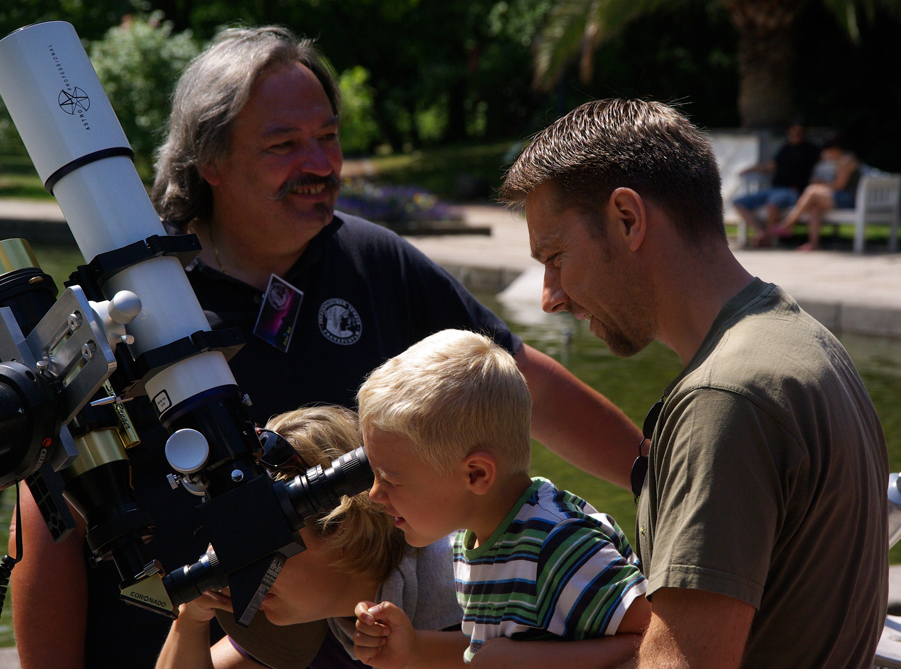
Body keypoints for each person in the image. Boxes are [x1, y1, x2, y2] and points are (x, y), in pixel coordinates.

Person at [10, 27, 643, 669]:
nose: (318, 164)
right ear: (212, 162)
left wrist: (669, 489)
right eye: (284, 145)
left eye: (328, 137)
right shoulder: (127, 303)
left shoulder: (377, 264)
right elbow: (52, 520)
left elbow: (527, 389)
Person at [498, 99, 889, 668]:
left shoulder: (723, 399)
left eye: (556, 257)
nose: (550, 296)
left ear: (628, 219)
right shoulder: (804, 342)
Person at [353, 329, 650, 669]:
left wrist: (525, 661)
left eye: (390, 479)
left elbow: (663, 634)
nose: (374, 494)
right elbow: (488, 652)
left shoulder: (559, 546)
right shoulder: (475, 541)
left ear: (476, 474)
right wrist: (414, 650)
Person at [155, 405, 462, 669]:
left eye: (257, 539)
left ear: (339, 526)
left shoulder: (468, 578)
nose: (239, 561)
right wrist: (191, 619)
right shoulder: (310, 615)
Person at [732, 121, 820, 247]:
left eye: (800, 132)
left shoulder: (811, 149)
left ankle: (768, 239)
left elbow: (825, 159)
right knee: (738, 202)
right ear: (789, 132)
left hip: (792, 191)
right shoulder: (785, 148)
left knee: (773, 204)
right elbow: (772, 166)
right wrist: (751, 169)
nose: (796, 134)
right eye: (793, 131)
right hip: (774, 189)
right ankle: (760, 233)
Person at [772, 135, 861, 251]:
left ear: (834, 148)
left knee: (812, 191)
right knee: (814, 208)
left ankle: (789, 223)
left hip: (849, 199)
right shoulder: (842, 161)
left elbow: (839, 186)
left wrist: (820, 185)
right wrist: (822, 184)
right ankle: (813, 243)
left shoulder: (846, 161)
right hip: (842, 197)